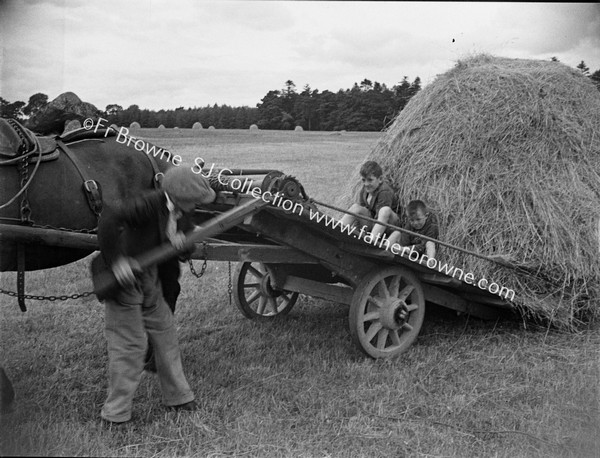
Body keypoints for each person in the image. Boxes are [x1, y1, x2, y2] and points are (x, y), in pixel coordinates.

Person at [96, 166, 216, 424]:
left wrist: (182, 244)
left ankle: (179, 397)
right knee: (130, 346)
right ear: (180, 195)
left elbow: (186, 241)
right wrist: (117, 262)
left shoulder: (183, 212)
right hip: (125, 281)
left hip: (150, 277)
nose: (197, 205)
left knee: (166, 333)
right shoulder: (149, 203)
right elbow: (108, 219)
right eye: (194, 200)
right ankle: (115, 414)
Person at [340, 160, 401, 241]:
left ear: (380, 179)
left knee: (384, 210)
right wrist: (356, 230)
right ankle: (337, 229)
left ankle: (372, 240)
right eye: (363, 180)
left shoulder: (384, 191)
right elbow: (360, 214)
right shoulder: (365, 190)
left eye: (370, 180)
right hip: (373, 223)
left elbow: (381, 218)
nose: (366, 184)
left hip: (389, 226)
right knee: (356, 207)